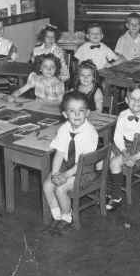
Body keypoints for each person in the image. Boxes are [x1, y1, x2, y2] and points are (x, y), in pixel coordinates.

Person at [42, 91, 99, 234]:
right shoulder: (64, 129)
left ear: (87, 113)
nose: (77, 115)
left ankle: (67, 217)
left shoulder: (90, 133)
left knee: (61, 189)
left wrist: (65, 176)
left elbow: (82, 163)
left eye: (81, 111)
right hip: (67, 167)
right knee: (48, 185)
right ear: (65, 114)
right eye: (72, 111)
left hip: (84, 171)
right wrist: (55, 173)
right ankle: (57, 215)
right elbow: (60, 153)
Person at [106, 83, 140, 211]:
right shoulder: (123, 115)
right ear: (126, 100)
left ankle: (116, 197)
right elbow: (117, 136)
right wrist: (123, 151)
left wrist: (135, 157)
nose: (136, 102)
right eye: (133, 99)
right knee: (100, 163)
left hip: (139, 150)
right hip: (122, 146)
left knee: (114, 163)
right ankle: (111, 187)